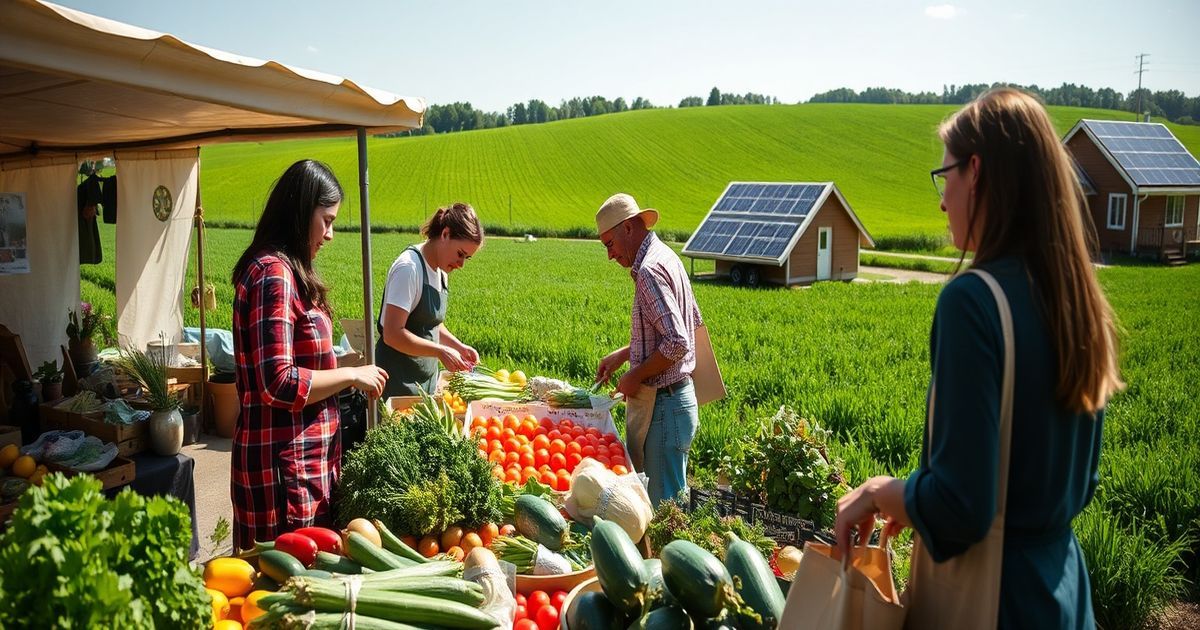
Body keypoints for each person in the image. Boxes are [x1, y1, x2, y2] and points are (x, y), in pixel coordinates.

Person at [833, 88, 1123, 628]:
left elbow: (964, 508)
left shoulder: (973, 302)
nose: (942, 201)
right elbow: (1072, 482)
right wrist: (914, 498)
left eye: (946, 178)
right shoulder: (1079, 304)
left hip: (995, 602)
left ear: (978, 171)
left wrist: (881, 492)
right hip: (1062, 594)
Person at [230, 159, 388, 550]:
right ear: (301, 212)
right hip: (282, 472)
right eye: (327, 220)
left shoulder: (285, 270)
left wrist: (344, 365)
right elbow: (278, 382)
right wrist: (351, 377)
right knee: (278, 590)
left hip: (298, 466)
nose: (330, 234)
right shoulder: (274, 274)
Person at [594, 193, 704, 506]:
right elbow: (678, 326)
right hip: (679, 402)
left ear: (628, 228)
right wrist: (625, 354)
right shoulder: (666, 256)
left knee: (662, 511)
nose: (610, 255)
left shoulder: (649, 272)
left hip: (665, 407)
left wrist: (635, 376)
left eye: (609, 244)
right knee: (673, 501)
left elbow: (678, 342)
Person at [376, 202, 483, 397]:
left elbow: (430, 324)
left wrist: (458, 346)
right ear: (445, 234)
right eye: (460, 254)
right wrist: (440, 351)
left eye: (466, 258)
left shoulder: (441, 271)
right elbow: (392, 333)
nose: (461, 264)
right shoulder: (409, 268)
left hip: (425, 382)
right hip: (398, 384)